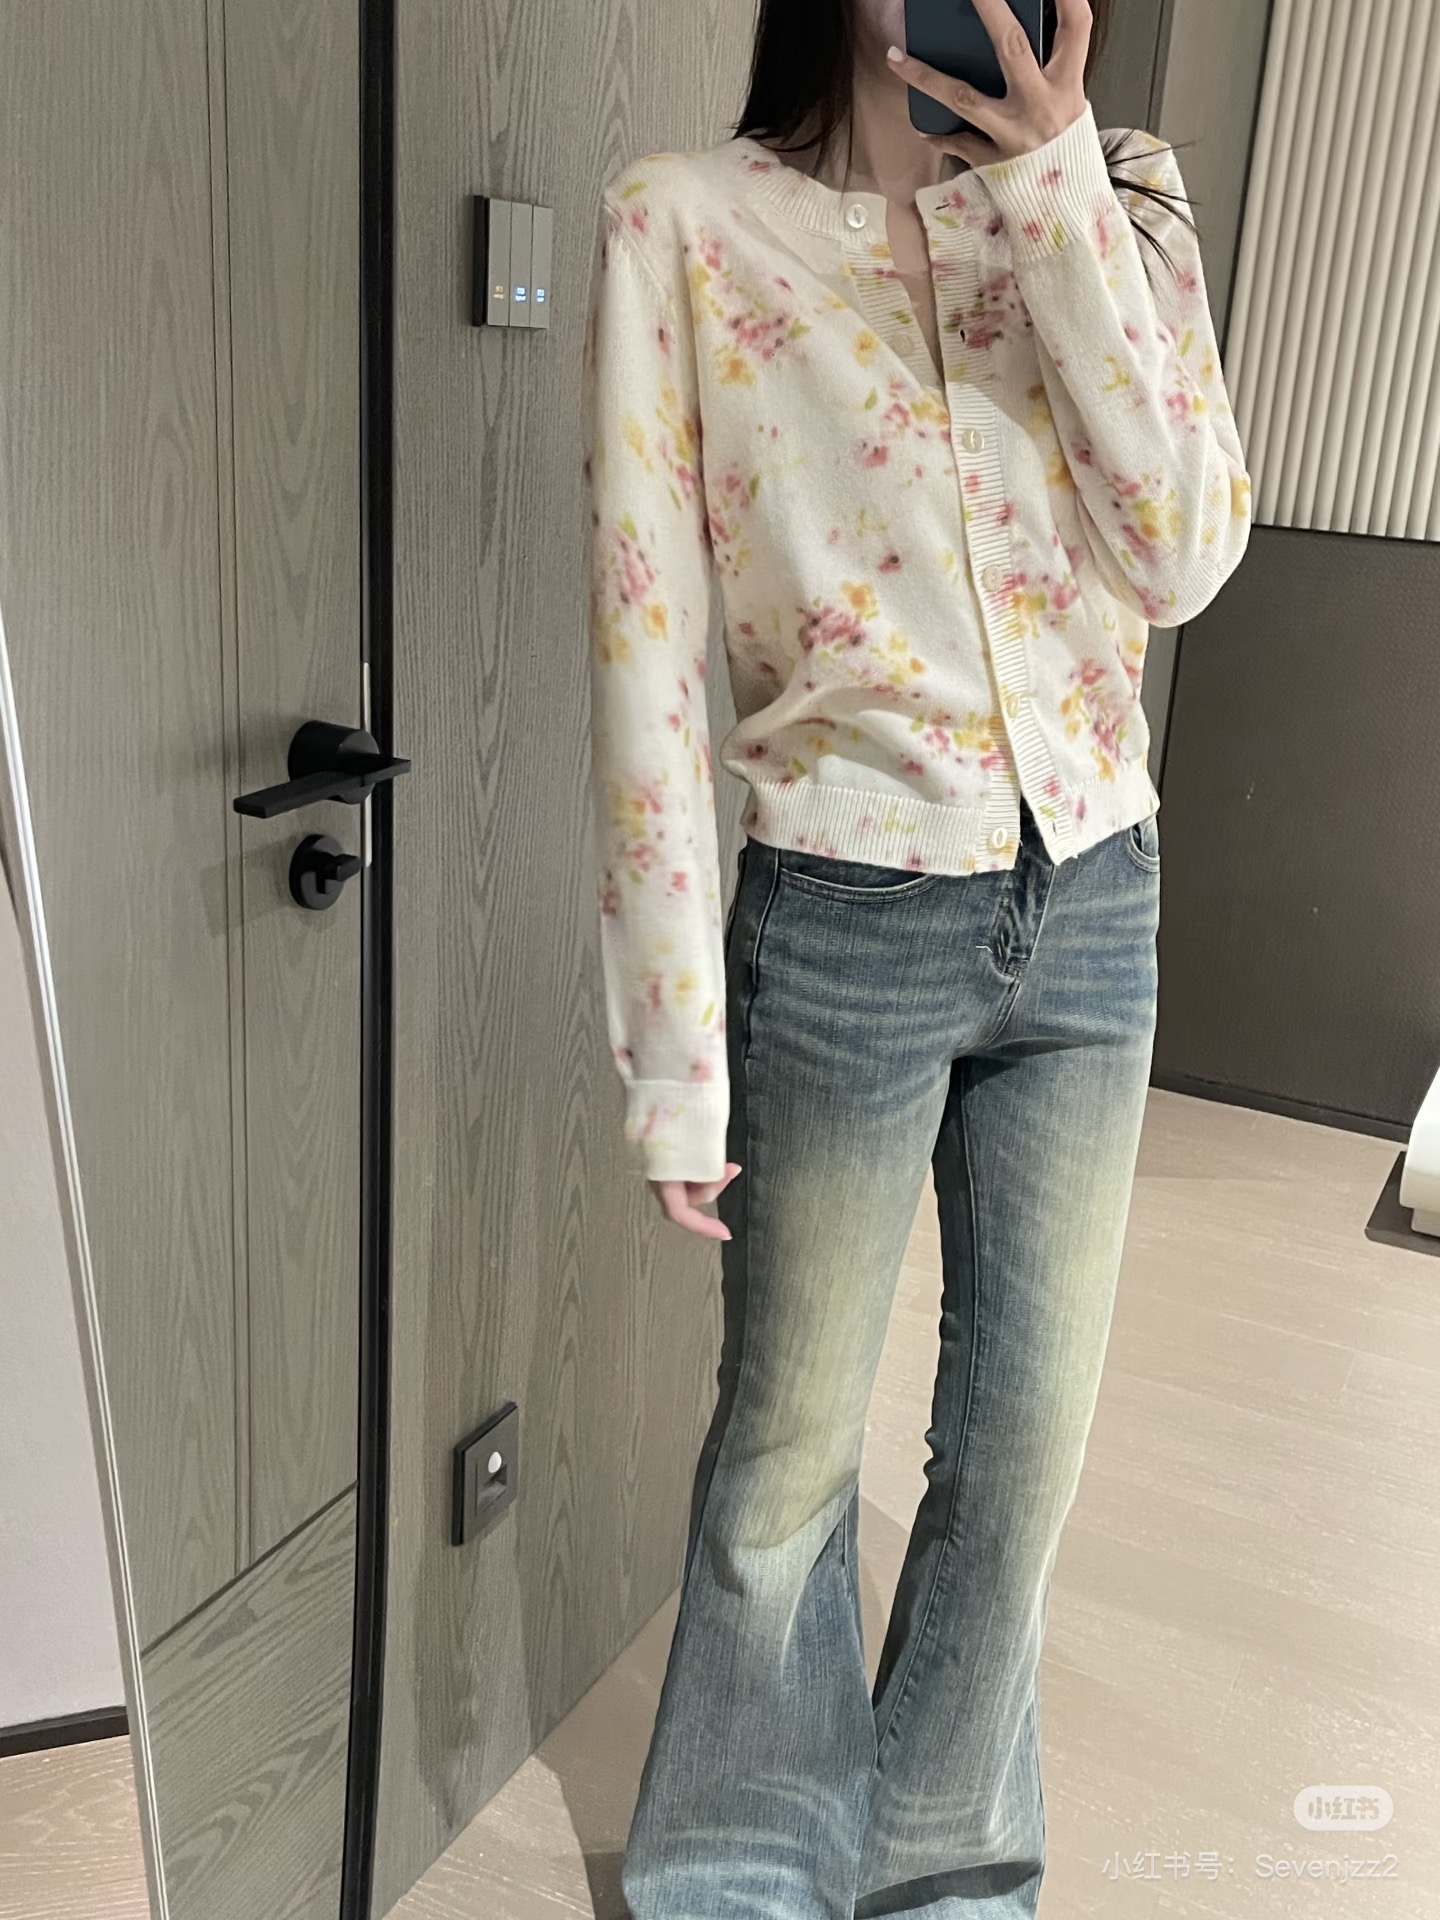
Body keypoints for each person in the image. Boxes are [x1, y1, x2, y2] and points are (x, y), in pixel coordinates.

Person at [582, 0, 1251, 1910]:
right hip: (845, 903)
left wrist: (1054, 195)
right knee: (790, 1452)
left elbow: (1185, 555)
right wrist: (672, 1054)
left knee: (1024, 1449)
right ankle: (739, 1869)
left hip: (1093, 894)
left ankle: (948, 1870)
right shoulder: (685, 223)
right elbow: (643, 644)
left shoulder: (1121, 194)